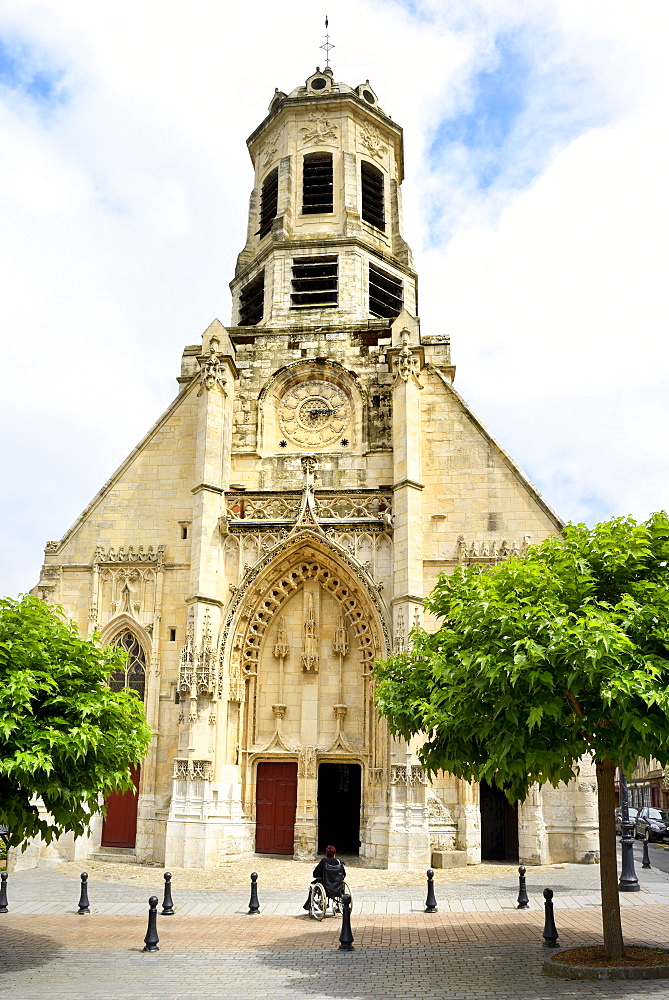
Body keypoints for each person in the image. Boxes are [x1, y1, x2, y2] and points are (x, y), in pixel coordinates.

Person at [303, 845, 346, 911]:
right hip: (337, 887)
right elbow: (343, 874)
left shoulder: (324, 861)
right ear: (335, 854)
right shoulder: (338, 862)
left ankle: (308, 904)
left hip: (326, 885)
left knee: (313, 885)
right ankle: (339, 906)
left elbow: (315, 874)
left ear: (326, 853)